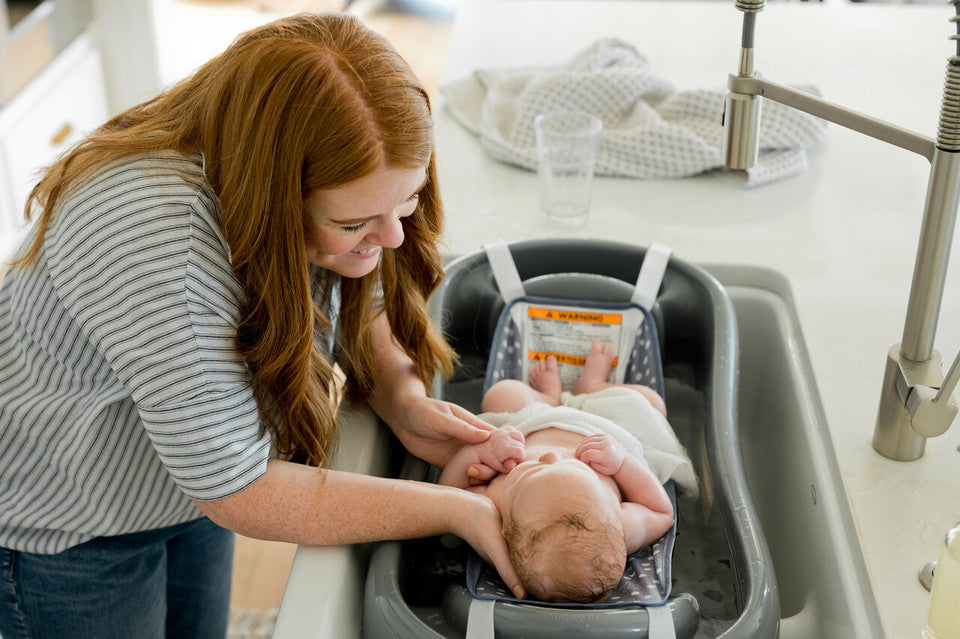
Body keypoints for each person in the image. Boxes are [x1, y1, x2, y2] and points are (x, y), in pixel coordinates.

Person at [0, 13, 522, 638]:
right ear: (274, 195)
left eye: (405, 205)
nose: (392, 238)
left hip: (181, 474)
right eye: (356, 225)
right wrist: (457, 511)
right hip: (65, 520)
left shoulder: (325, 187)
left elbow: (369, 294)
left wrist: (404, 398)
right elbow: (239, 490)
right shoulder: (152, 237)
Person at [439, 340, 679, 604]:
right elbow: (661, 511)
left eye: (532, 471)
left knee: (500, 395)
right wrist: (621, 462)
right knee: (654, 405)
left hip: (534, 419)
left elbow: (448, 493)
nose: (552, 456)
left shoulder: (496, 511)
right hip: (605, 423)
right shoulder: (618, 528)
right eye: (577, 467)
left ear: (504, 530)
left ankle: (548, 396)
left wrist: (480, 454)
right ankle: (594, 387)